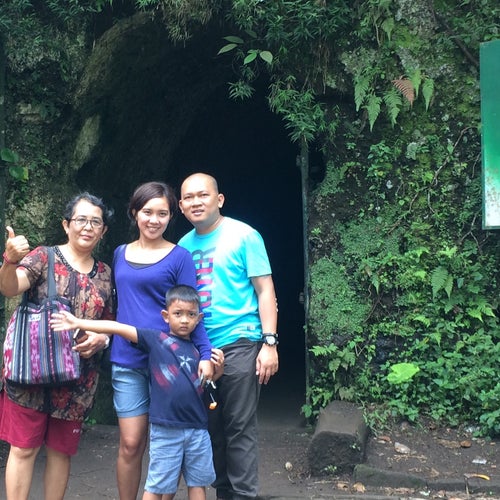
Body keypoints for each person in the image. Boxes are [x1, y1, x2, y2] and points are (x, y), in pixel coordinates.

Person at [50, 284, 224, 500]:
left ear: (199, 318)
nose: (184, 320)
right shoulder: (156, 340)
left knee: (198, 484)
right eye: (178, 313)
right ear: (166, 316)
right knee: (156, 486)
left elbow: (205, 383)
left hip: (198, 429)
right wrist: (78, 322)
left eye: (191, 315)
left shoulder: (201, 351)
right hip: (166, 429)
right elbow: (117, 327)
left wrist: (218, 370)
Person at [0, 192, 114, 500]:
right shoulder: (43, 257)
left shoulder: (106, 274)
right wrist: (9, 260)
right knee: (23, 449)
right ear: (66, 225)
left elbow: (109, 322)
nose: (87, 227)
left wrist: (101, 340)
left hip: (77, 380)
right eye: (81, 219)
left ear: (103, 230)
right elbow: (10, 287)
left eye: (95, 222)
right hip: (30, 374)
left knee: (60, 453)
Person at [110, 181, 215, 500]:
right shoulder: (119, 253)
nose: (154, 220)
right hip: (128, 358)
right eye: (147, 212)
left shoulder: (180, 257)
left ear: (171, 217)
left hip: (171, 362)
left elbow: (192, 310)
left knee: (170, 439)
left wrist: (205, 354)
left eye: (162, 213)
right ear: (134, 213)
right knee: (131, 443)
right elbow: (116, 304)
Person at [178, 173, 279, 500]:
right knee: (211, 427)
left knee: (238, 426)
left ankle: (244, 495)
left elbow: (265, 290)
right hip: (200, 348)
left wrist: (269, 343)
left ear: (219, 199)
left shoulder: (244, 236)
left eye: (203, 195)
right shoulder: (182, 246)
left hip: (240, 341)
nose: (196, 202)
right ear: (180, 206)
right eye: (189, 197)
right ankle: (224, 493)